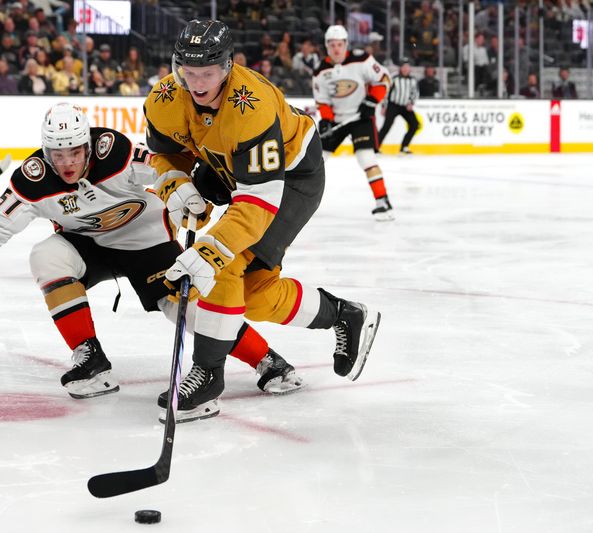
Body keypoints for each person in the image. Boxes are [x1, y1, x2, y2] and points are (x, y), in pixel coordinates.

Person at [0, 103, 304, 401]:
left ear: (87, 144)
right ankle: (90, 358)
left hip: (144, 241)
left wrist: (192, 186)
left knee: (183, 310)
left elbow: (164, 169)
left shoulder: (113, 151)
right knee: (45, 256)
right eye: (57, 155)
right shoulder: (32, 179)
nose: (66, 164)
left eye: (74, 153)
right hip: (87, 245)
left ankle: (267, 361)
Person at [144, 20, 381, 423]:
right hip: (230, 167)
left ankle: (207, 378)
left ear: (228, 67)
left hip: (291, 179)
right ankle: (344, 314)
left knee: (226, 263)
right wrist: (177, 186)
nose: (198, 83)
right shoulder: (166, 96)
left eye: (208, 73)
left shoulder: (251, 104)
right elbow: (166, 155)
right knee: (252, 295)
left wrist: (211, 249)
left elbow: (256, 202)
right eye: (190, 72)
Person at [312, 24, 394, 221]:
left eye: (339, 44)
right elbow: (323, 101)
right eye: (332, 45)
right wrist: (326, 120)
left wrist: (372, 100)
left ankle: (383, 202)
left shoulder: (362, 59)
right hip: (338, 119)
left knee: (366, 158)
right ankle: (294, 203)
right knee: (316, 161)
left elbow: (384, 79)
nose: (336, 49)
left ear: (346, 44)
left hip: (360, 118)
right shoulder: (320, 71)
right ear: (326, 46)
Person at [378, 58, 420, 155]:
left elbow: (415, 93)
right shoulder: (394, 78)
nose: (405, 69)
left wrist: (411, 103)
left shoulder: (413, 80)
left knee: (415, 124)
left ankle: (404, 147)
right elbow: (386, 92)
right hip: (394, 105)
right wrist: (384, 106)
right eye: (403, 67)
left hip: (405, 107)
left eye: (407, 67)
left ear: (410, 68)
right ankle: (376, 148)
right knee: (386, 126)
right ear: (400, 68)